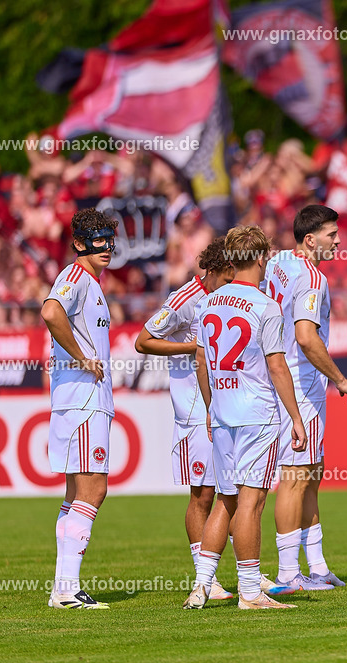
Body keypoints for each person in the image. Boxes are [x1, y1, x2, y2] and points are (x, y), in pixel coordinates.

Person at [183, 225, 308, 610]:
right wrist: (297, 417)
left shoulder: (209, 303)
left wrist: (209, 407)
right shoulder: (265, 305)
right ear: (260, 258)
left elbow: (202, 362)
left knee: (226, 500)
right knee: (251, 503)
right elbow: (278, 367)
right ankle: (250, 591)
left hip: (221, 413)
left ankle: (201, 585)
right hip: (256, 414)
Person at [263, 205, 347, 592]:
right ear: (310, 239)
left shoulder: (278, 260)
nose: (338, 240)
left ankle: (316, 566)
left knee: (311, 474)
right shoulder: (312, 277)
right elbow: (306, 336)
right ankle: (288, 574)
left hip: (278, 378)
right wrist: (339, 378)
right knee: (295, 478)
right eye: (331, 234)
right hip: (300, 387)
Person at [134, 236, 235, 597]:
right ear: (213, 271)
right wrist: (193, 346)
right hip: (193, 410)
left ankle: (247, 571)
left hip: (225, 406)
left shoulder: (227, 297)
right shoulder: (183, 300)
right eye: (226, 278)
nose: (229, 284)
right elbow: (143, 341)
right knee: (203, 494)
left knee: (234, 491)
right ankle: (204, 576)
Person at [42, 208, 118, 609]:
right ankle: (68, 588)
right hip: (84, 400)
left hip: (79, 401)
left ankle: (62, 588)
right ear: (79, 243)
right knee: (95, 488)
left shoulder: (91, 282)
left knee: (75, 494)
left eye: (111, 238)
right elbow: (50, 311)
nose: (107, 246)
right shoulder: (75, 277)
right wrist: (83, 357)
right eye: (99, 239)